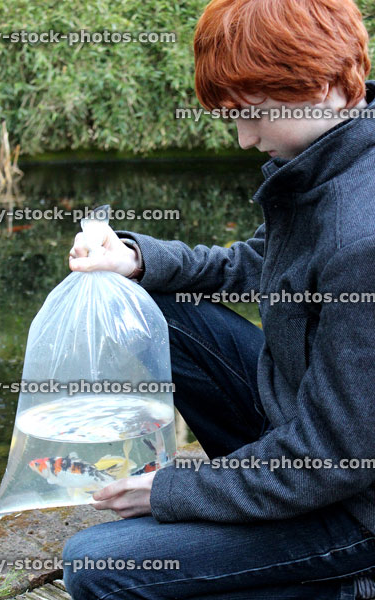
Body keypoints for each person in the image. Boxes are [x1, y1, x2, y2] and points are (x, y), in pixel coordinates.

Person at [63, 0, 375, 598]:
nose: (244, 138)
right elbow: (255, 265)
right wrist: (135, 260)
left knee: (97, 566)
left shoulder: (360, 235)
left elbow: (334, 458)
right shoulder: (325, 162)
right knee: (153, 302)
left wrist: (175, 489)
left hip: (351, 502)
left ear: (327, 85)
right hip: (303, 425)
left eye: (254, 114)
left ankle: (344, 581)